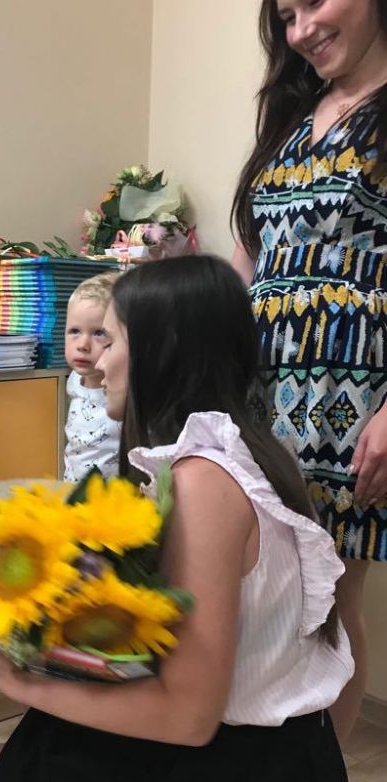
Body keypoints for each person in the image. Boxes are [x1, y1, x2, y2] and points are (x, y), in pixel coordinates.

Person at [0, 257, 353, 782]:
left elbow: (186, 716)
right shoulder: (242, 451)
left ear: (160, 348)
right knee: (30, 753)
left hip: (246, 781)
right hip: (287, 761)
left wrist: (13, 677)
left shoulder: (205, 483)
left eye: (109, 340)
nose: (95, 360)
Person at [231, 0, 387, 743]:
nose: (300, 31)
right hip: (259, 390)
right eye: (286, 14)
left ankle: (315, 781)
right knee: (256, 589)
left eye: (314, 3)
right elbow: (250, 253)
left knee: (327, 604)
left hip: (352, 395)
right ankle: (258, 764)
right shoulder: (292, 112)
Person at [63, 271, 122, 482]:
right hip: (73, 489)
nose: (82, 345)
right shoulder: (74, 380)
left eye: (98, 333)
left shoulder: (122, 391)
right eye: (74, 331)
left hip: (112, 497)